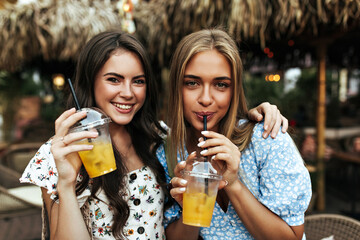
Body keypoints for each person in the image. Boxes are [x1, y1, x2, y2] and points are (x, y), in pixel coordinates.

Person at [19, 30, 288, 240]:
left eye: (138, 81)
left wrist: (255, 115)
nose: (128, 92)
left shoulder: (159, 139)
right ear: (91, 81)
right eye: (114, 79)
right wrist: (66, 185)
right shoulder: (59, 153)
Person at [162, 29, 312, 240]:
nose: (206, 99)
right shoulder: (169, 151)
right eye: (192, 83)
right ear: (177, 87)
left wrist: (232, 183)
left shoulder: (267, 139)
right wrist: (190, 210)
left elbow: (292, 237)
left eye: (221, 85)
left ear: (234, 90)